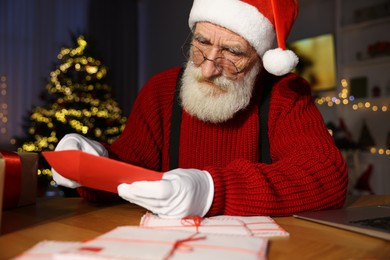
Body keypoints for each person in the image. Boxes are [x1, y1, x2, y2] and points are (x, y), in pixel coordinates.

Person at [52, 0, 348, 218]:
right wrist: (91, 162)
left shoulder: (285, 94)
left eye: (233, 52)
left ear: (261, 59)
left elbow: (327, 178)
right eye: (201, 43)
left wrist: (213, 191)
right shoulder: (161, 91)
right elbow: (129, 171)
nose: (207, 69)